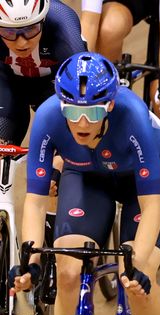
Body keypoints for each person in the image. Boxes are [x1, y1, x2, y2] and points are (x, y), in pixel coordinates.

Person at [10, 52, 160, 315]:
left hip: (145, 181)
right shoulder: (49, 118)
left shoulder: (132, 117)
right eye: (72, 113)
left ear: (111, 105)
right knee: (67, 268)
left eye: (93, 113)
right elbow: (36, 203)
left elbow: (151, 208)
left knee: (135, 275)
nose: (82, 123)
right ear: (61, 105)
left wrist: (138, 263)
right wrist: (32, 264)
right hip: (89, 176)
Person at [1, 0, 86, 282]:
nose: (22, 41)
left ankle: (46, 252)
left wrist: (61, 158)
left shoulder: (63, 22)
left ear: (44, 19)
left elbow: (81, 95)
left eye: (29, 30)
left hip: (55, 90)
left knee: (52, 172)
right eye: (10, 33)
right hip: (6, 88)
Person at [79, 0, 160, 154]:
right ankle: (109, 101)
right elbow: (89, 23)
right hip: (128, 5)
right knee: (109, 29)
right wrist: (83, 78)